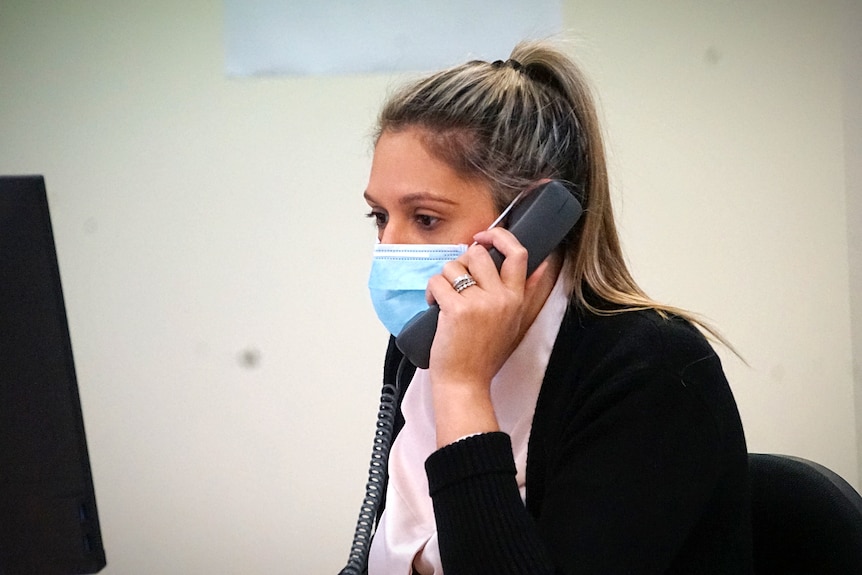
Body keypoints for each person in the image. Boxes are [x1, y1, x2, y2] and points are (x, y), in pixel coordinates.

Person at [359, 39, 752, 574]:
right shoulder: (425, 345)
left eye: (425, 218)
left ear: (533, 220)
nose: (391, 247)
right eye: (379, 217)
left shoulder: (655, 372)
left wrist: (462, 390)